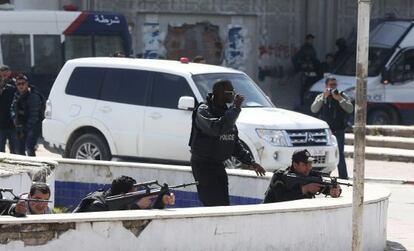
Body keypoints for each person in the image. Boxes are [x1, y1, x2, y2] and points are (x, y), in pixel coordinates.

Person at [189, 79, 266, 207]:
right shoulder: (203, 110)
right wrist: (235, 109)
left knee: (224, 204)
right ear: (220, 93)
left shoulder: (227, 113)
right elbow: (216, 128)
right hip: (203, 166)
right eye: (231, 92)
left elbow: (233, 142)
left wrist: (250, 162)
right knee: (213, 203)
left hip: (218, 165)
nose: (234, 95)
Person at [310, 77, 353, 179]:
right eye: (331, 85)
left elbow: (350, 109)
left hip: (338, 129)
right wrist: (323, 97)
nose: (333, 87)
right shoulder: (321, 96)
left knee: (340, 154)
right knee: (322, 153)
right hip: (325, 131)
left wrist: (340, 99)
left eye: (334, 85)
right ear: (326, 86)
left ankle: (343, 176)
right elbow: (314, 109)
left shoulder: (342, 96)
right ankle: (321, 175)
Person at [263, 149, 342, 203]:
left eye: (310, 164)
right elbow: (280, 199)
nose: (308, 168)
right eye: (304, 165)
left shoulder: (312, 175)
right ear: (295, 165)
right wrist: (304, 189)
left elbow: (323, 187)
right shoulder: (281, 176)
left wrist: (333, 191)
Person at [74, 175, 175, 212]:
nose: (134, 196)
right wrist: (137, 206)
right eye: (132, 194)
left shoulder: (115, 201)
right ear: (122, 194)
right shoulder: (97, 205)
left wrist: (161, 200)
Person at [10, 74, 45, 156]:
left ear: (27, 84)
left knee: (29, 147)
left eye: (23, 83)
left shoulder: (33, 96)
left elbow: (34, 116)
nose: (21, 86)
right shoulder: (17, 95)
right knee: (18, 149)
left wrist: (24, 129)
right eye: (18, 84)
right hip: (21, 125)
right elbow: (12, 108)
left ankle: (33, 165)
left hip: (33, 125)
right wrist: (15, 120)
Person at [292, 34, 321, 107]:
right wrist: (303, 65)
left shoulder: (311, 48)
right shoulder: (303, 49)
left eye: (312, 40)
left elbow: (314, 59)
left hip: (311, 71)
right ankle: (301, 102)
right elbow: (296, 59)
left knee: (310, 86)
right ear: (306, 40)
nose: (311, 41)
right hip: (305, 71)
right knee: (304, 87)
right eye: (310, 39)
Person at [0, 65, 17, 153]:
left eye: (5, 73)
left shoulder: (15, 84)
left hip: (12, 123)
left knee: (14, 150)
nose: (4, 77)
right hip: (1, 124)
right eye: (2, 74)